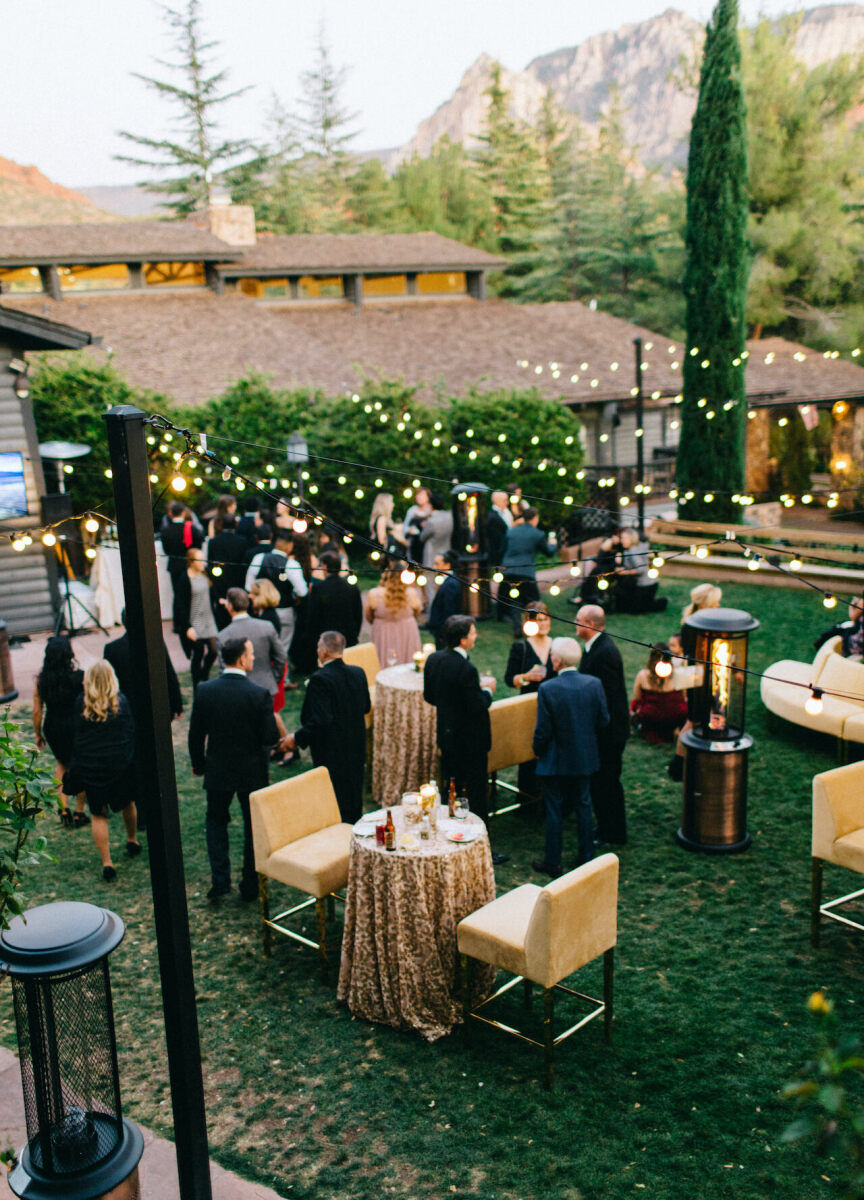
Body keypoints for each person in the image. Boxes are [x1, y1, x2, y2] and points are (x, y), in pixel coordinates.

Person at [188, 636, 282, 901]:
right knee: (253, 828)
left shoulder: (205, 690)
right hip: (251, 772)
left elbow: (196, 735)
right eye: (251, 654)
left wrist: (198, 764)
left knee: (216, 822)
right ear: (241, 659)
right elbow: (270, 737)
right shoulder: (258, 694)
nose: (253, 658)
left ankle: (220, 881)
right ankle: (250, 885)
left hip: (218, 769)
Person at [423, 615, 508, 864]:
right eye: (473, 632)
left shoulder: (434, 659)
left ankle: (452, 838)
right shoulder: (465, 669)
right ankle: (482, 848)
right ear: (462, 639)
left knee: (452, 788)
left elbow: (430, 696)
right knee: (475, 793)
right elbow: (477, 706)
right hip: (471, 741)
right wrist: (486, 690)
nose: (476, 635)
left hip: (447, 737)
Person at [531, 637, 609, 877]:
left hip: (555, 761)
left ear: (556, 660)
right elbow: (603, 720)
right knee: (584, 806)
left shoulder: (547, 688)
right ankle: (586, 857)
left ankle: (553, 862)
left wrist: (537, 750)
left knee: (554, 810)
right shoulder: (594, 684)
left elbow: (543, 729)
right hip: (583, 757)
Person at [104, 611, 184, 831]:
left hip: (130, 715)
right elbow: (168, 672)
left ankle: (144, 814)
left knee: (138, 763)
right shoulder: (154, 642)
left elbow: (113, 687)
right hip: (156, 711)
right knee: (159, 759)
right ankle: (163, 806)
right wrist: (176, 703)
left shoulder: (112, 649)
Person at [63, 661, 141, 882]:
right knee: (128, 804)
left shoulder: (81, 704)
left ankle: (107, 862)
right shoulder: (122, 702)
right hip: (120, 766)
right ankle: (132, 840)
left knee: (98, 814)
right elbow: (130, 732)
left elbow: (77, 737)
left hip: (92, 768)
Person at [284, 631, 371, 824]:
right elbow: (365, 706)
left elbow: (320, 721)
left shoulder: (320, 679)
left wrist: (296, 739)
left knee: (335, 801)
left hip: (332, 750)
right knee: (354, 797)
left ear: (323, 652)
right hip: (356, 746)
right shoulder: (358, 672)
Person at [576, 604, 630, 847]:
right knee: (601, 782)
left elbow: (605, 697)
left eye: (578, 620)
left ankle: (613, 833)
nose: (574, 623)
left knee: (607, 782)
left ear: (590, 624)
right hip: (603, 731)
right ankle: (605, 826)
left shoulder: (604, 653)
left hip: (609, 733)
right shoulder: (594, 648)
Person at [504, 601, 558, 809]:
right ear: (529, 623)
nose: (543, 624)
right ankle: (527, 798)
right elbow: (509, 678)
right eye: (538, 621)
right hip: (529, 706)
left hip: (553, 706)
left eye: (545, 620)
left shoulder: (557, 645)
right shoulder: (521, 647)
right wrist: (525, 676)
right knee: (529, 750)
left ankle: (550, 797)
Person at [32, 635, 88, 828]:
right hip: (75, 724)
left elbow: (37, 710)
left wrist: (38, 733)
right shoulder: (80, 676)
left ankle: (63, 807)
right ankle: (80, 811)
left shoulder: (41, 680)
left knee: (61, 763)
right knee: (79, 765)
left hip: (53, 726)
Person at [217, 587, 287, 702]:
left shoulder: (223, 635)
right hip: (266, 686)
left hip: (237, 691)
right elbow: (281, 656)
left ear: (229, 606)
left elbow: (223, 668)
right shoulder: (267, 626)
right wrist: (273, 678)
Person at [499, 507, 555, 632]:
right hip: (526, 573)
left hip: (509, 571)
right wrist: (552, 543)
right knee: (533, 601)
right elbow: (549, 553)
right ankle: (534, 627)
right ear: (535, 518)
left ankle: (518, 629)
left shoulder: (511, 531)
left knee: (514, 600)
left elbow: (502, 550)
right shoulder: (538, 534)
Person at [174, 547, 219, 692]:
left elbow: (212, 593)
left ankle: (204, 674)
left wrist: (220, 601)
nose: (203, 563)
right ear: (191, 562)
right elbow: (179, 604)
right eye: (200, 560)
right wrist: (187, 627)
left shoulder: (206, 575)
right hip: (194, 621)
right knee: (198, 652)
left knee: (213, 651)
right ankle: (196, 684)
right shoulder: (184, 579)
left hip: (208, 619)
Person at [364, 564, 423, 666]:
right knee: (407, 662)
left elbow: (369, 616)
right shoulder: (412, 593)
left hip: (383, 631)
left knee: (384, 661)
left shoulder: (374, 594)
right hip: (407, 630)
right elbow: (417, 613)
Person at [631, 643, 688, 744]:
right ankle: (675, 730)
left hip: (651, 717)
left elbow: (637, 698)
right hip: (674, 716)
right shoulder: (678, 674)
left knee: (634, 707)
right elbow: (684, 697)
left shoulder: (642, 675)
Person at [161, 500, 204, 633]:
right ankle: (192, 621)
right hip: (190, 566)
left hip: (175, 566)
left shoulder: (166, 531)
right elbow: (199, 546)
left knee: (178, 595)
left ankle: (178, 624)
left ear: (170, 514)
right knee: (192, 594)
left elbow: (166, 550)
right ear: (184, 513)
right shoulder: (193, 529)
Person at [306, 551, 363, 648]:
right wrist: (355, 633)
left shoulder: (319, 588)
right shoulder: (351, 587)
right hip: (349, 637)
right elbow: (358, 614)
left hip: (327, 638)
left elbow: (313, 617)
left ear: (324, 566)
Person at [207, 512, 249, 628]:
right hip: (238, 581)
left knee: (222, 615)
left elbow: (210, 563)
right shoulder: (243, 541)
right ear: (235, 525)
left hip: (221, 581)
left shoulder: (214, 542)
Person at [613, 529, 667, 614]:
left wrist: (625, 572)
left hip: (646, 585)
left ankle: (661, 602)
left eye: (624, 538)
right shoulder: (629, 549)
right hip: (639, 584)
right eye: (622, 538)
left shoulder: (634, 551)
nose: (622, 540)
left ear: (632, 539)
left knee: (638, 610)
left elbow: (641, 569)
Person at [426, 552, 463, 645]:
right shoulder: (447, 581)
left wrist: (443, 633)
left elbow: (449, 610)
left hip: (444, 631)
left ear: (447, 565)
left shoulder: (450, 584)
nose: (434, 567)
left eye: (437, 564)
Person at [403, 487, 433, 563]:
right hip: (413, 545)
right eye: (418, 495)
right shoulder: (412, 510)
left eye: (422, 495)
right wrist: (409, 530)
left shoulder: (431, 510)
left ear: (427, 497)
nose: (419, 497)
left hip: (427, 546)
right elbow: (405, 527)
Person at [243, 523, 274, 591]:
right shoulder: (274, 551)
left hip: (255, 589)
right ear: (271, 536)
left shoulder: (249, 553)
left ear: (256, 537)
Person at [486, 490, 512, 569]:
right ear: (497, 501)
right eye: (505, 500)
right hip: (501, 557)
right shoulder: (492, 517)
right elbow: (497, 541)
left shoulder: (506, 512)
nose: (507, 503)